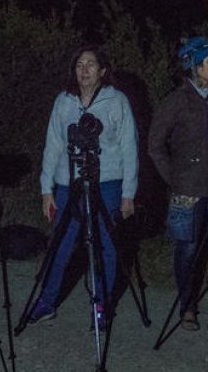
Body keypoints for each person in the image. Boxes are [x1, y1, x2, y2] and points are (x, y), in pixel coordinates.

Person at [29, 45, 139, 327]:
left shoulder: (117, 101)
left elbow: (130, 148)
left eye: (91, 64)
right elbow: (52, 146)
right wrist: (46, 189)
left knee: (107, 247)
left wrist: (128, 193)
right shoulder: (64, 101)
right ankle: (47, 300)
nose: (84, 69)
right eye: (79, 64)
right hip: (69, 184)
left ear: (102, 70)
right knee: (62, 244)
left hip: (107, 184)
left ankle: (101, 306)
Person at [148, 37, 208, 333]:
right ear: (195, 66)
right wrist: (174, 179)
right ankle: (187, 306)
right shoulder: (175, 102)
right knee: (187, 250)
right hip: (186, 191)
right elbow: (154, 145)